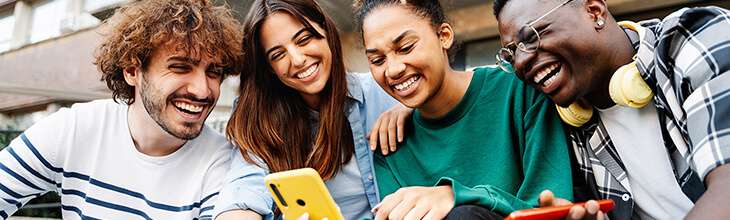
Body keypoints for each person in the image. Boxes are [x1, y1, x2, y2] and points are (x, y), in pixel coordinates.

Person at [0, 0, 243, 218]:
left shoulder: (220, 163)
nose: (202, 90)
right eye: (180, 67)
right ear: (132, 71)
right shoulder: (76, 128)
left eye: (214, 73)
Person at [494, 0, 730, 219]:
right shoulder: (569, 123)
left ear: (594, 11)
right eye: (511, 54)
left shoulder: (695, 36)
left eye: (532, 36)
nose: (521, 62)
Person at [353, 0, 574, 219]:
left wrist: (458, 196)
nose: (393, 70)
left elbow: (551, 206)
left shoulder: (519, 90)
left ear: (444, 36)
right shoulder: (390, 144)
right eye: (377, 59)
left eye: (406, 48)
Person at [211, 0, 406, 219]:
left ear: (326, 32)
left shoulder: (384, 94)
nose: (297, 60)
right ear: (270, 69)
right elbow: (245, 186)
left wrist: (412, 108)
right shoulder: (260, 120)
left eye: (304, 39)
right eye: (277, 55)